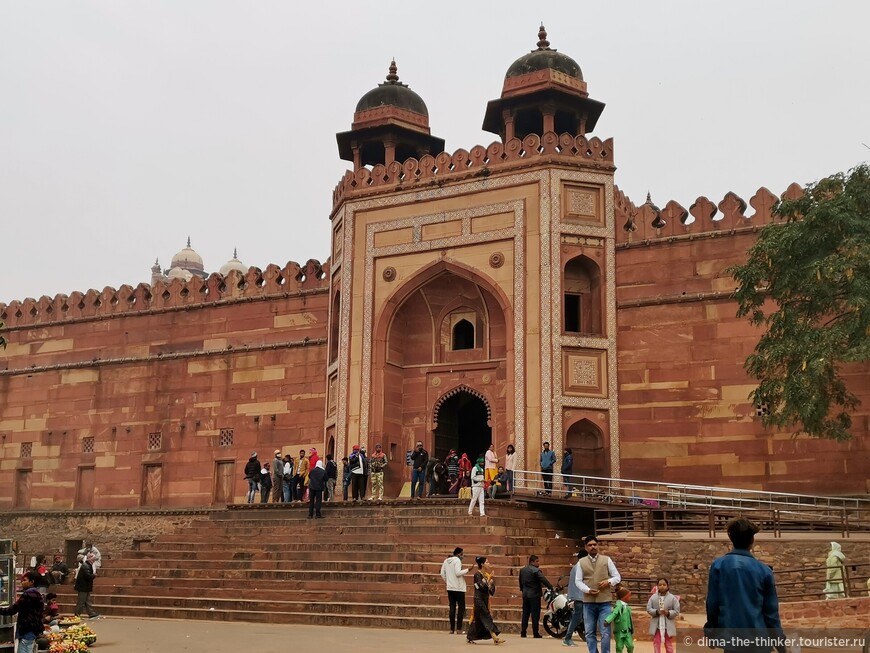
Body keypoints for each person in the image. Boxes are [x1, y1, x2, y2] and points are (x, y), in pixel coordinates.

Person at [704, 517, 785, 653]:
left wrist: (711, 632)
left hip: (731, 640)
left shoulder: (718, 566)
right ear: (752, 540)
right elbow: (771, 613)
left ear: (731, 538)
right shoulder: (764, 571)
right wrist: (780, 643)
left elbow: (712, 603)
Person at [576, 535, 621, 653]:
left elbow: (617, 577)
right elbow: (578, 581)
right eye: (590, 545)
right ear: (586, 547)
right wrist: (587, 590)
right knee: (589, 632)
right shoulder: (581, 562)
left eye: (595, 544)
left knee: (605, 632)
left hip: (605, 602)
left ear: (598, 546)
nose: (593, 547)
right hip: (588, 602)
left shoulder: (607, 560)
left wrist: (608, 582)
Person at [0, 571, 44, 653]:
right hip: (33, 629)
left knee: (24, 649)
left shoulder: (29, 594)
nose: (22, 582)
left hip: (28, 629)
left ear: (32, 582)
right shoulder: (36, 593)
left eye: (25, 580)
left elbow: (13, 609)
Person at [466, 556, 505, 645]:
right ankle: (495, 637)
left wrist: (491, 582)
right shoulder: (477, 575)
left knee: (478, 620)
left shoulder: (486, 575)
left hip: (485, 600)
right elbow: (480, 587)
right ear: (482, 564)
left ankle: (470, 636)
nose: (489, 564)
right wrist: (489, 580)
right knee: (486, 617)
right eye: (487, 562)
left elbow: (491, 591)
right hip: (478, 600)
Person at [518, 554, 553, 638]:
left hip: (525, 594)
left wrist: (523, 590)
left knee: (525, 614)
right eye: (537, 561)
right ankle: (535, 633)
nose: (538, 563)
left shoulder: (523, 570)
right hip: (534, 595)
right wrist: (550, 587)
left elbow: (520, 582)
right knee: (535, 614)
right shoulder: (535, 571)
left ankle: (523, 632)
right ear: (532, 562)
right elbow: (544, 580)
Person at [440, 547, 470, 634]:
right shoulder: (457, 560)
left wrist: (448, 581)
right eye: (462, 554)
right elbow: (458, 573)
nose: (462, 556)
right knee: (461, 608)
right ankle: (459, 628)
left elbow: (442, 573)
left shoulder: (446, 561)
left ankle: (452, 629)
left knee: (452, 607)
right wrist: (468, 570)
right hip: (459, 588)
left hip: (450, 588)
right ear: (458, 554)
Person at [646, 578, 679, 653]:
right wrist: (656, 612)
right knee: (656, 642)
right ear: (657, 586)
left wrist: (668, 613)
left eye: (664, 584)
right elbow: (648, 608)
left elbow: (677, 611)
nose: (662, 586)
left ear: (667, 586)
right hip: (657, 625)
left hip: (668, 625)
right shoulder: (653, 598)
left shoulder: (672, 598)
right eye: (660, 585)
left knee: (668, 644)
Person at [563, 551, 586, 647]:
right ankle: (567, 638)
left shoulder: (576, 567)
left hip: (579, 596)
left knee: (583, 618)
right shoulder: (579, 568)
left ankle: (589, 637)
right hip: (579, 596)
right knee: (576, 618)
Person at [604, 587, 634, 653]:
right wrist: (607, 620)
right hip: (619, 631)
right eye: (629, 596)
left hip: (627, 630)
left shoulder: (627, 607)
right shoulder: (618, 606)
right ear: (624, 597)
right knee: (619, 647)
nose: (630, 598)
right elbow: (614, 614)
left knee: (630, 646)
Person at [74, 553, 100, 619]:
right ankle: (77, 615)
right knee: (81, 602)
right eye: (93, 559)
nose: (94, 561)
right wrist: (94, 575)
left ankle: (91, 613)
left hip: (86, 586)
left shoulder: (88, 565)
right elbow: (88, 577)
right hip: (83, 587)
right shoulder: (85, 566)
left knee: (87, 601)